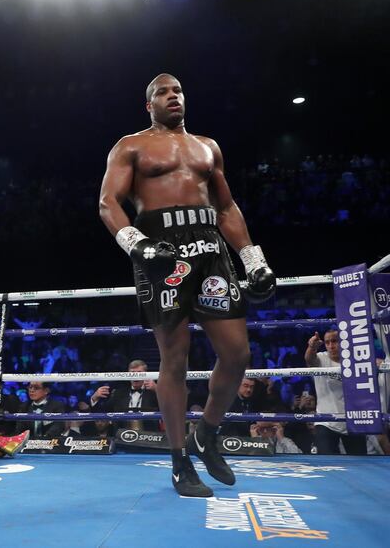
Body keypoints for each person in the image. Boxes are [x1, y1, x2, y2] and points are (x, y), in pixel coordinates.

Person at [98, 73, 276, 497]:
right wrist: (137, 246)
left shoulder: (207, 146)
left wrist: (253, 260)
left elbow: (227, 206)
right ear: (149, 104)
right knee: (173, 359)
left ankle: (207, 433)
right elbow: (108, 203)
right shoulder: (131, 145)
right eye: (163, 92)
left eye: (177, 90)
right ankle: (180, 463)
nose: (172, 96)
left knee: (237, 354)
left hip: (209, 247)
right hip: (160, 251)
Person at [304, 331, 367, 455]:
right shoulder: (321, 358)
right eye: (327, 342)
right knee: (327, 464)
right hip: (326, 421)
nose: (331, 345)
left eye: (334, 341)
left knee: (360, 463)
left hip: (353, 419)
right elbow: (309, 359)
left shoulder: (356, 361)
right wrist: (312, 347)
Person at [89, 359, 159, 431]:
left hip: (149, 435)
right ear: (128, 374)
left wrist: (157, 390)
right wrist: (95, 398)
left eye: (139, 373)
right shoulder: (119, 393)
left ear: (146, 374)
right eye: (132, 373)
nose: (136, 376)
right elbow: (103, 412)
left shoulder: (153, 392)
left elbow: (167, 408)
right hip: (123, 435)